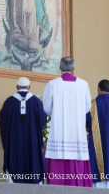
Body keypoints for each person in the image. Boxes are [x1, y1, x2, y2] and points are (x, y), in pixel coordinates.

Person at [43, 56, 92, 187]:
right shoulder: (83, 84)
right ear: (74, 68)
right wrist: (77, 114)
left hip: (59, 129)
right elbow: (87, 107)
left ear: (59, 67)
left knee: (58, 156)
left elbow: (47, 107)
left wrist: (58, 114)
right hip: (77, 129)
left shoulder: (52, 84)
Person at [0, 77, 47, 184]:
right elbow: (43, 119)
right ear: (29, 87)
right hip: (32, 141)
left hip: (14, 141)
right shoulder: (36, 101)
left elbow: (2, 120)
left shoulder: (9, 102)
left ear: (16, 87)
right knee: (32, 163)